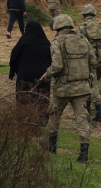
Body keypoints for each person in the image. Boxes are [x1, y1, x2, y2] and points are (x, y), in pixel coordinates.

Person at [40, 14, 97, 162]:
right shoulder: (83, 39)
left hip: (63, 88)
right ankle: (84, 154)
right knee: (82, 119)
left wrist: (47, 74)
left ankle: (52, 148)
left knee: (54, 116)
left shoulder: (57, 42)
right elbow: (93, 61)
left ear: (57, 26)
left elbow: (57, 66)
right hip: (83, 87)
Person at [9, 20, 52, 122]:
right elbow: (52, 60)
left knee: (23, 97)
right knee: (42, 98)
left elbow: (14, 56)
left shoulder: (23, 41)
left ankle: (23, 119)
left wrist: (14, 71)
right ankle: (41, 120)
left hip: (25, 75)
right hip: (43, 76)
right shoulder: (46, 43)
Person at [78, 4, 101, 122]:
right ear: (94, 14)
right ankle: (87, 106)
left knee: (93, 84)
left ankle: (99, 111)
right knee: (93, 83)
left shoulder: (82, 28)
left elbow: (79, 45)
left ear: (84, 15)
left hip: (90, 61)